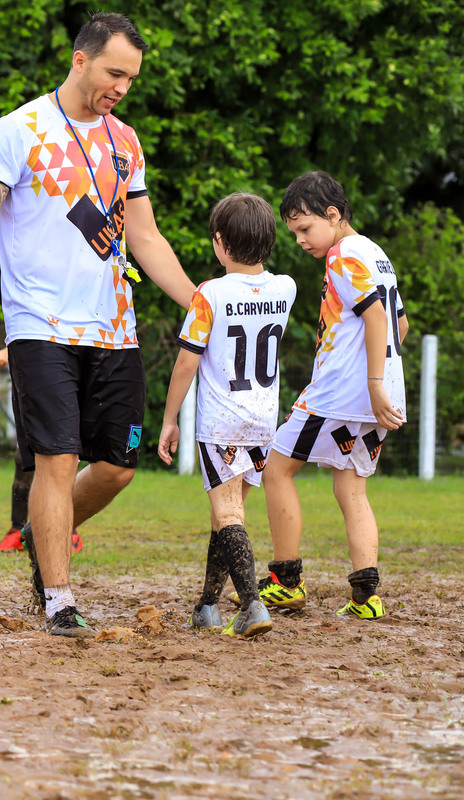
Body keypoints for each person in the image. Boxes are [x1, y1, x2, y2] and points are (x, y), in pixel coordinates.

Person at [0, 12, 196, 637]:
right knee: (56, 459)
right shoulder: (17, 131)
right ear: (80, 59)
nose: (122, 87)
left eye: (131, 78)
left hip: (115, 327)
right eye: (114, 73)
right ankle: (58, 600)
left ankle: (39, 531)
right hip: (39, 325)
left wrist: (198, 302)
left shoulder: (126, 142)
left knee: (119, 467)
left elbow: (145, 237)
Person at [245, 171, 408, 620]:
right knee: (351, 488)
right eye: (294, 232)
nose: (300, 240)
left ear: (332, 215)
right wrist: (380, 383)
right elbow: (400, 324)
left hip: (340, 394)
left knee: (276, 469)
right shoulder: (376, 254)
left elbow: (377, 318)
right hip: (377, 397)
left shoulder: (342, 255)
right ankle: (366, 598)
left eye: (304, 228)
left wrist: (370, 382)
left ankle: (286, 582)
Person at [157, 193, 296, 638]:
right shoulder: (286, 288)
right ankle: (207, 606)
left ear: (220, 241)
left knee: (228, 514)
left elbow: (186, 362)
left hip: (221, 423)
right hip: (263, 422)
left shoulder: (210, 294)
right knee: (227, 516)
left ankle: (252, 605)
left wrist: (169, 419)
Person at [0, 347, 82, 554]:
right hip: (35, 401)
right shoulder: (33, 336)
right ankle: (18, 530)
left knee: (61, 466)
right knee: (22, 459)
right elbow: (14, 348)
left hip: (65, 401)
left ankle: (70, 531)